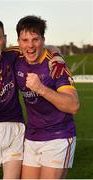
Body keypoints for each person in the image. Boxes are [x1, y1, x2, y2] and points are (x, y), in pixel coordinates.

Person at [0, 18, 66, 179]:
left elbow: (45, 47)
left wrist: (57, 56)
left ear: (4, 39)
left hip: (15, 128)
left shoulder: (12, 53)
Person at [15, 15, 80, 179]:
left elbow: (73, 105)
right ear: (18, 42)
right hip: (32, 137)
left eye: (35, 39)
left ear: (43, 39)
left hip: (58, 136)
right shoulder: (16, 58)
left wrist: (40, 89)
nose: (30, 45)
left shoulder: (56, 65)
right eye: (25, 40)